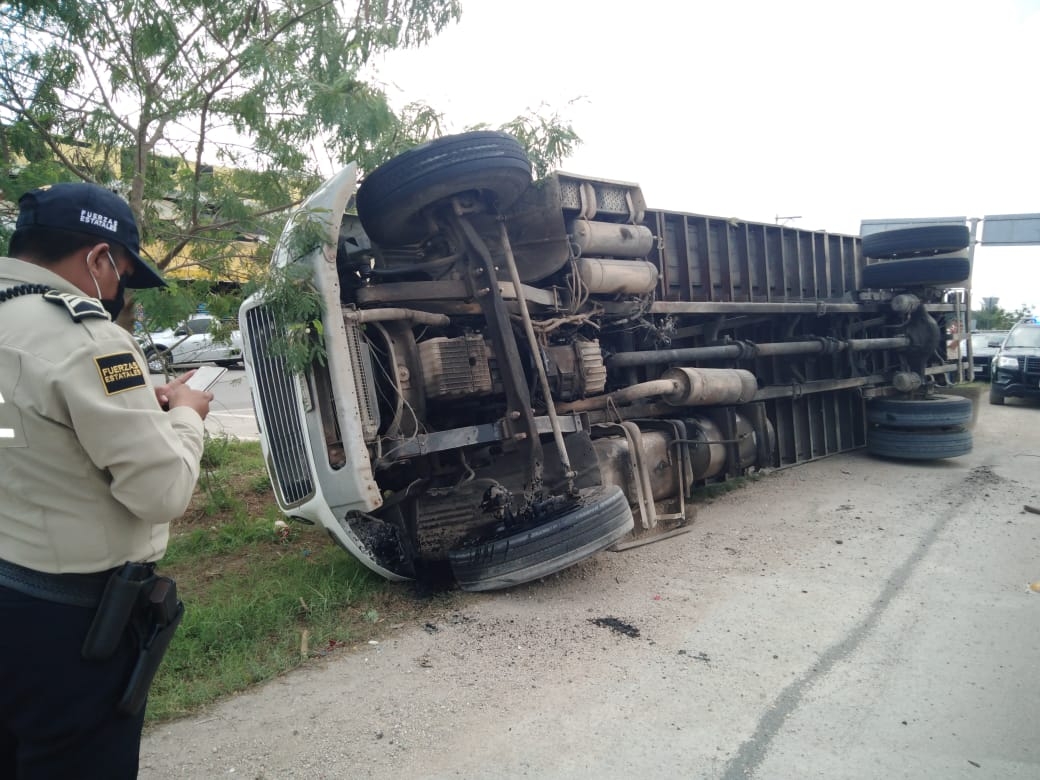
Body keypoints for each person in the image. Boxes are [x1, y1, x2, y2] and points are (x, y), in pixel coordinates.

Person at [0, 182, 213, 778]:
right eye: (120, 272)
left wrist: (127, 408)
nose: (120, 294)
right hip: (67, 629)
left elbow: (21, 430)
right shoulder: (86, 339)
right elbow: (162, 491)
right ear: (97, 259)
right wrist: (183, 415)